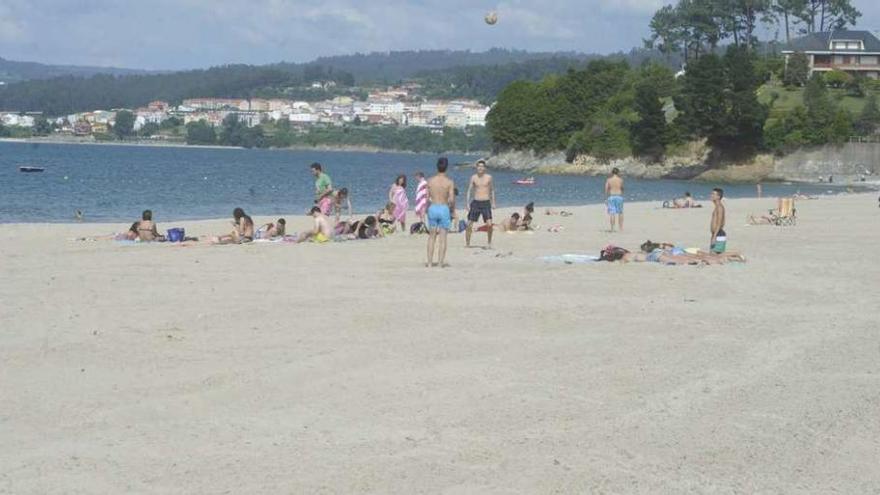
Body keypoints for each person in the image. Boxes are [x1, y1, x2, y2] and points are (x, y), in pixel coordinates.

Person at [426, 157, 455, 267]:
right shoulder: (449, 182)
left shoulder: (430, 181)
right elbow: (451, 199)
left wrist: (426, 209)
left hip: (433, 207)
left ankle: (429, 263)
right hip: (443, 208)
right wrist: (452, 210)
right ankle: (440, 263)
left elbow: (426, 198)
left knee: (431, 237)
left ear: (437, 166)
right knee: (443, 238)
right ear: (446, 167)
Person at [465, 159, 496, 248]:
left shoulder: (489, 177)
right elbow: (469, 190)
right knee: (469, 224)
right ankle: (468, 243)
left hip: (486, 203)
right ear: (476, 167)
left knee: (489, 224)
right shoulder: (473, 177)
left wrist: (493, 202)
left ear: (485, 168)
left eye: (482, 166)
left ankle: (489, 242)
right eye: (479, 166)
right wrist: (467, 203)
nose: (480, 168)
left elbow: (492, 190)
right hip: (475, 203)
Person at [605, 168, 624, 232]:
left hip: (611, 196)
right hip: (619, 196)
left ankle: (612, 228)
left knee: (612, 213)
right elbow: (622, 188)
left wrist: (606, 198)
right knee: (620, 213)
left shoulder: (609, 180)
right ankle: (620, 228)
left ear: (612, 173)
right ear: (618, 172)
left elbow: (606, 189)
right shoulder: (620, 180)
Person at [710, 188, 727, 253]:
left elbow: (720, 223)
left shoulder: (719, 207)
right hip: (716, 234)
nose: (711, 195)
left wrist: (714, 236)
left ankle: (737, 254)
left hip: (718, 234)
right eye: (711, 194)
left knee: (717, 257)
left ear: (718, 197)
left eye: (713, 194)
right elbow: (723, 222)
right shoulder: (717, 207)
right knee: (712, 256)